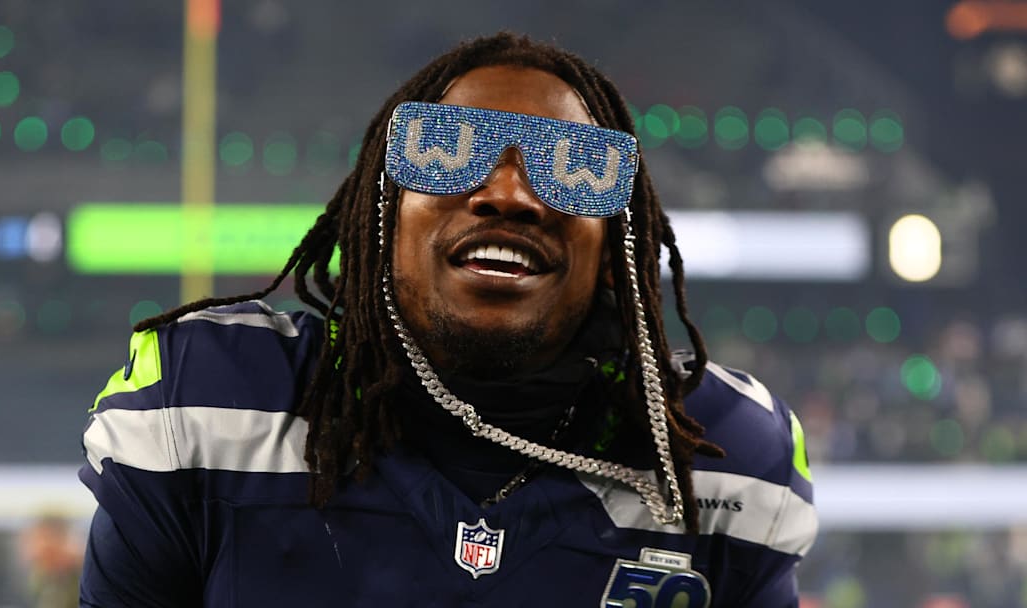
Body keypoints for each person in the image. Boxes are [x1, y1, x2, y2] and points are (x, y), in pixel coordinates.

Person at [79, 32, 816, 607]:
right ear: (382, 209)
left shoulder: (723, 457)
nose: (509, 195)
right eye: (446, 152)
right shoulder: (208, 400)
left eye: (575, 165)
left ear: (617, 239)